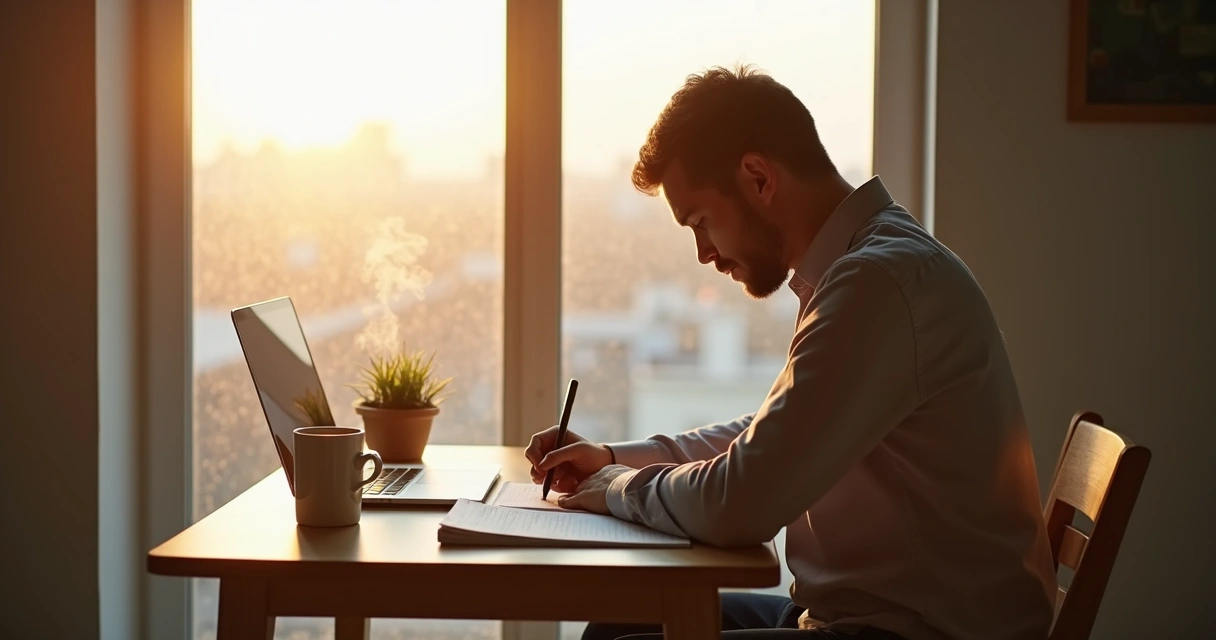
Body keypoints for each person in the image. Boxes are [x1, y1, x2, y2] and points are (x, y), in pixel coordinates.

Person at [527, 64, 1059, 640]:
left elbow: (741, 505)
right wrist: (610, 457)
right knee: (618, 623)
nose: (703, 252)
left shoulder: (879, 284)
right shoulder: (864, 266)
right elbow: (769, 437)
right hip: (862, 614)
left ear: (758, 177)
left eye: (701, 221)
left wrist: (614, 489)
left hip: (915, 632)